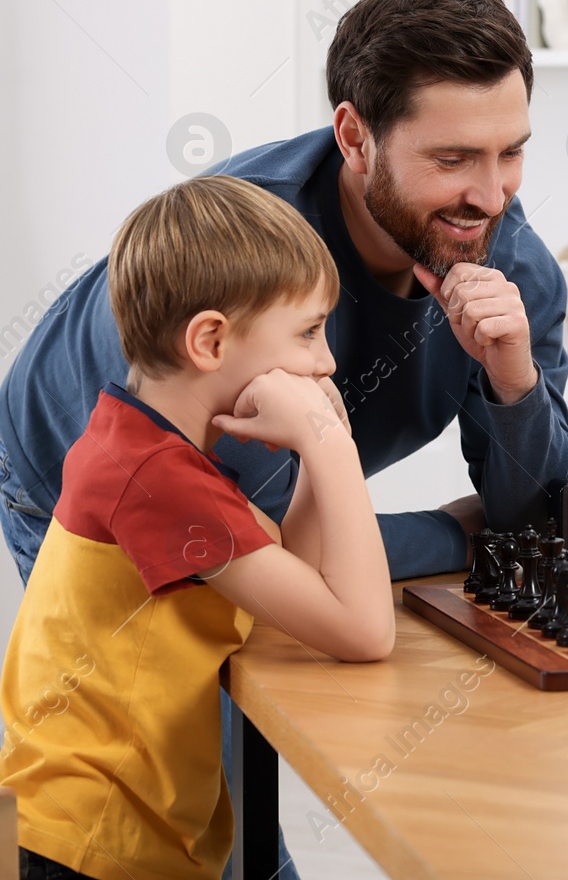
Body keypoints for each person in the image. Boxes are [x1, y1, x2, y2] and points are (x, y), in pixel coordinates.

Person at [0, 0, 568, 590]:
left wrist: (515, 383)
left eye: (511, 153)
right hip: (68, 471)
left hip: (248, 514)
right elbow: (268, 542)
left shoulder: (516, 272)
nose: (491, 197)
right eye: (452, 159)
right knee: (196, 680)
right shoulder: (242, 262)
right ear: (356, 139)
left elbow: (548, 521)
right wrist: (460, 534)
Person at [0, 177, 394, 880]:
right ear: (210, 340)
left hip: (117, 830)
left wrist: (314, 447)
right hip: (93, 843)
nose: (326, 360)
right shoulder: (157, 481)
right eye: (308, 332)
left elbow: (297, 594)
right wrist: (334, 445)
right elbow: (364, 631)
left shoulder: (152, 443)